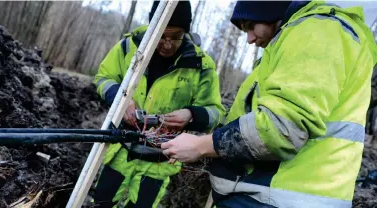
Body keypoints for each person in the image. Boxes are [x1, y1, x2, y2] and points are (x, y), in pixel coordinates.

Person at [161, 1, 377, 207]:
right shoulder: (292, 44)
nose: (249, 39)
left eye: (251, 26)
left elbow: (281, 128)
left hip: (277, 197)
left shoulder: (317, 33)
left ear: (270, 10)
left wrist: (200, 147)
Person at [92, 1, 225, 207]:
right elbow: (103, 78)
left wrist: (191, 115)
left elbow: (216, 112)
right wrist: (122, 99)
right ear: (153, 27)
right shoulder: (131, 46)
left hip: (159, 164)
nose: (168, 44)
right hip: (119, 154)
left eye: (176, 36)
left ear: (186, 31)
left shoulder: (201, 65)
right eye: (162, 35)